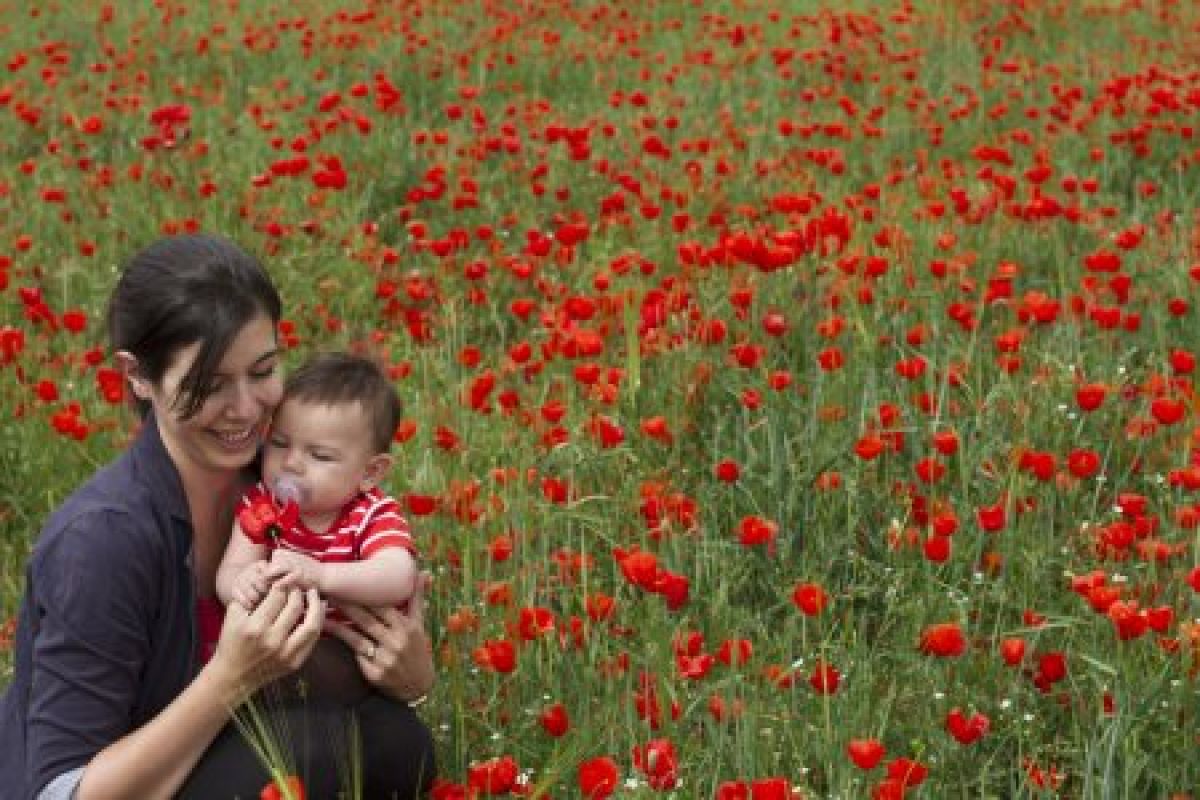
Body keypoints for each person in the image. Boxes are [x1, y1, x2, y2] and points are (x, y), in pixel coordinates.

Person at [0, 235, 436, 800]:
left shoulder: (279, 473)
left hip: (232, 746)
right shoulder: (103, 540)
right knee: (313, 754)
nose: (246, 409)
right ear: (137, 375)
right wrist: (231, 677)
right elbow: (62, 791)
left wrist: (411, 674)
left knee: (397, 743)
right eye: (210, 384)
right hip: (124, 780)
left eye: (262, 371)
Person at [217, 352, 419, 705]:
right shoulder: (263, 505)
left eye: (320, 456)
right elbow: (231, 569)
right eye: (279, 443)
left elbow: (398, 575)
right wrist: (242, 585)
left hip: (355, 654)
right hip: (282, 646)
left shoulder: (371, 514)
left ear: (370, 473)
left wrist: (321, 575)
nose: (291, 464)